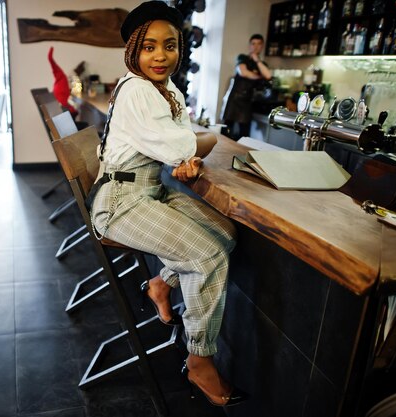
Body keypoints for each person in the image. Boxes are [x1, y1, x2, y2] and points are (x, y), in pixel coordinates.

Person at [89, 1, 244, 407]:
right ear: (132, 51)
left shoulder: (165, 89)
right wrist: (202, 145)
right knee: (208, 254)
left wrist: (186, 157)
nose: (161, 55)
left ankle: (162, 283)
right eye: (149, 46)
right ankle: (199, 358)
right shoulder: (138, 88)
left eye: (170, 45)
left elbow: (177, 149)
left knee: (225, 232)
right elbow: (183, 143)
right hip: (119, 203)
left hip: (147, 191)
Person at [220, 34, 272, 140]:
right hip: (234, 99)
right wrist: (259, 76)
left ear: (262, 46)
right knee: (226, 131)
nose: (256, 47)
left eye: (259, 44)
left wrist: (257, 61)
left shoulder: (262, 64)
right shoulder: (242, 58)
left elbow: (268, 75)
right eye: (253, 44)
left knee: (243, 134)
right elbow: (243, 72)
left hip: (247, 101)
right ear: (250, 45)